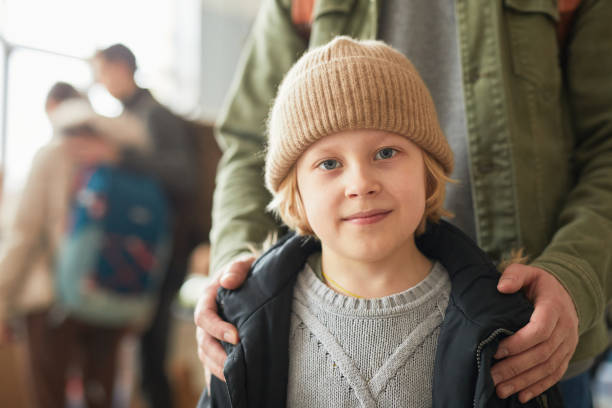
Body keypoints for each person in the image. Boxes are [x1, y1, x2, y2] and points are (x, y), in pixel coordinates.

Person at [196, 0, 612, 406]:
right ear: (294, 192)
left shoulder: (503, 327)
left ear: (430, 170)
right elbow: (251, 146)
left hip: (530, 353)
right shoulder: (253, 327)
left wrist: (575, 273)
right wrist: (234, 278)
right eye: (329, 163)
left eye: (386, 154)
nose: (360, 184)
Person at [0, 82, 146, 408]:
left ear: (54, 109)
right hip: (109, 294)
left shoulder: (53, 154)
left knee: (49, 398)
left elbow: (24, 234)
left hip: (51, 301)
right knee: (101, 398)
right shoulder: (122, 154)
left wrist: (2, 299)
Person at [92, 43, 198, 408]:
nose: (101, 82)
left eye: (103, 72)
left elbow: (184, 176)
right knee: (140, 342)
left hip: (165, 246)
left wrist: (124, 157)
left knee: (153, 344)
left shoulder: (153, 116)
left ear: (122, 68)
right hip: (140, 246)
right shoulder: (129, 116)